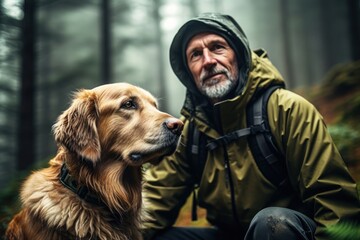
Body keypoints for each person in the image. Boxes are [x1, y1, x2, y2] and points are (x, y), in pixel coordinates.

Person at [141, 13, 360, 240]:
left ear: (240, 56)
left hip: (287, 232)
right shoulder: (192, 133)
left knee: (272, 223)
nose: (207, 61)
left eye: (217, 47)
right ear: (189, 73)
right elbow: (154, 204)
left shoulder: (287, 110)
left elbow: (335, 203)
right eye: (196, 55)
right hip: (229, 234)